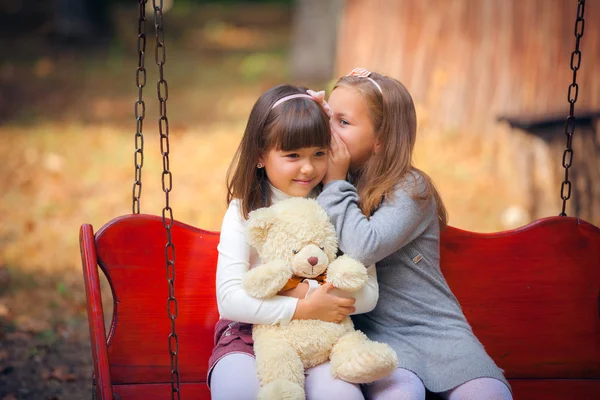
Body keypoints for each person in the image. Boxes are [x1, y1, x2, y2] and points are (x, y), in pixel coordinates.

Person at [316, 68, 513, 400]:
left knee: (489, 394)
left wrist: (335, 183)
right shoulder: (322, 180)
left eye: (343, 122)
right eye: (327, 118)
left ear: (382, 138)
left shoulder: (409, 188)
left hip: (437, 330)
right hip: (379, 338)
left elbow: (363, 247)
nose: (329, 132)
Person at [209, 83, 378, 400]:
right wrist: (304, 302)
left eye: (319, 153)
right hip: (250, 333)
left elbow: (368, 294)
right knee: (236, 390)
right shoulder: (244, 210)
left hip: (325, 333)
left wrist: (312, 303)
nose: (308, 167)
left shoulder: (339, 205)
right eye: (292, 155)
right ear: (260, 155)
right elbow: (230, 300)